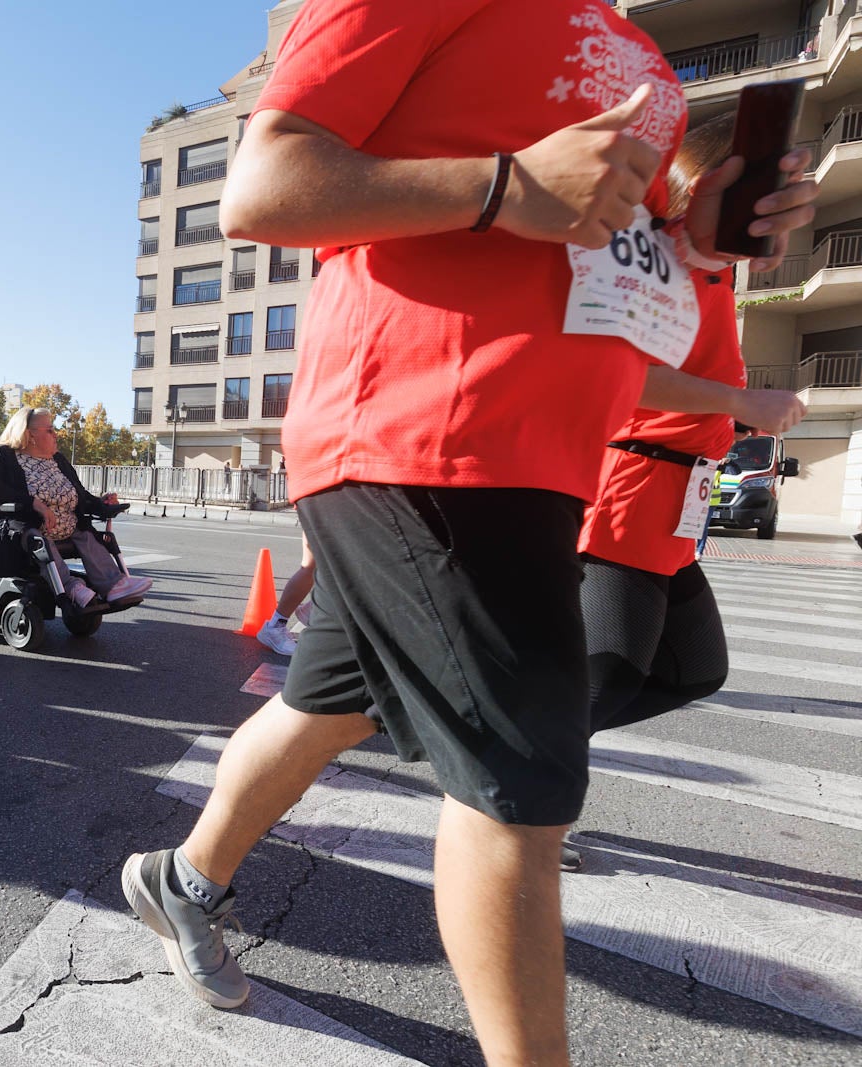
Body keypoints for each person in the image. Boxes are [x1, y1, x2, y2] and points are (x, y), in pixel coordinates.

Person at [116, 4, 815, 1063]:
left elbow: (599, 258)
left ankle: (182, 878)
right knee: (520, 792)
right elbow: (262, 189)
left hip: (548, 455)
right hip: (426, 427)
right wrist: (501, 186)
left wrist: (695, 239)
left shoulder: (634, 52)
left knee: (326, 703)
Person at [569, 115, 810, 869]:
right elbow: (616, 371)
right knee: (606, 674)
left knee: (695, 671)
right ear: (704, 189)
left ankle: (521, 764)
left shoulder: (715, 268)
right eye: (764, 198)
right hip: (631, 482)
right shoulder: (650, 256)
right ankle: (516, 797)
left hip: (680, 496)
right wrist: (737, 404)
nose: (778, 213)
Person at [0, 406, 149, 606]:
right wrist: (33, 503)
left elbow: (79, 495)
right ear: (30, 435)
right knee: (39, 539)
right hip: (19, 526)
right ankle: (71, 587)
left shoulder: (57, 460)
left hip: (65, 526)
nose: (55, 434)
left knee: (86, 533)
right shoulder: (0, 454)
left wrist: (101, 502)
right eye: (49, 430)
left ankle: (115, 585)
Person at [255, 533, 314, 657]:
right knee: (311, 567)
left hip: (333, 517)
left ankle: (313, 611)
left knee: (313, 567)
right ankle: (276, 627)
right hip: (330, 517)